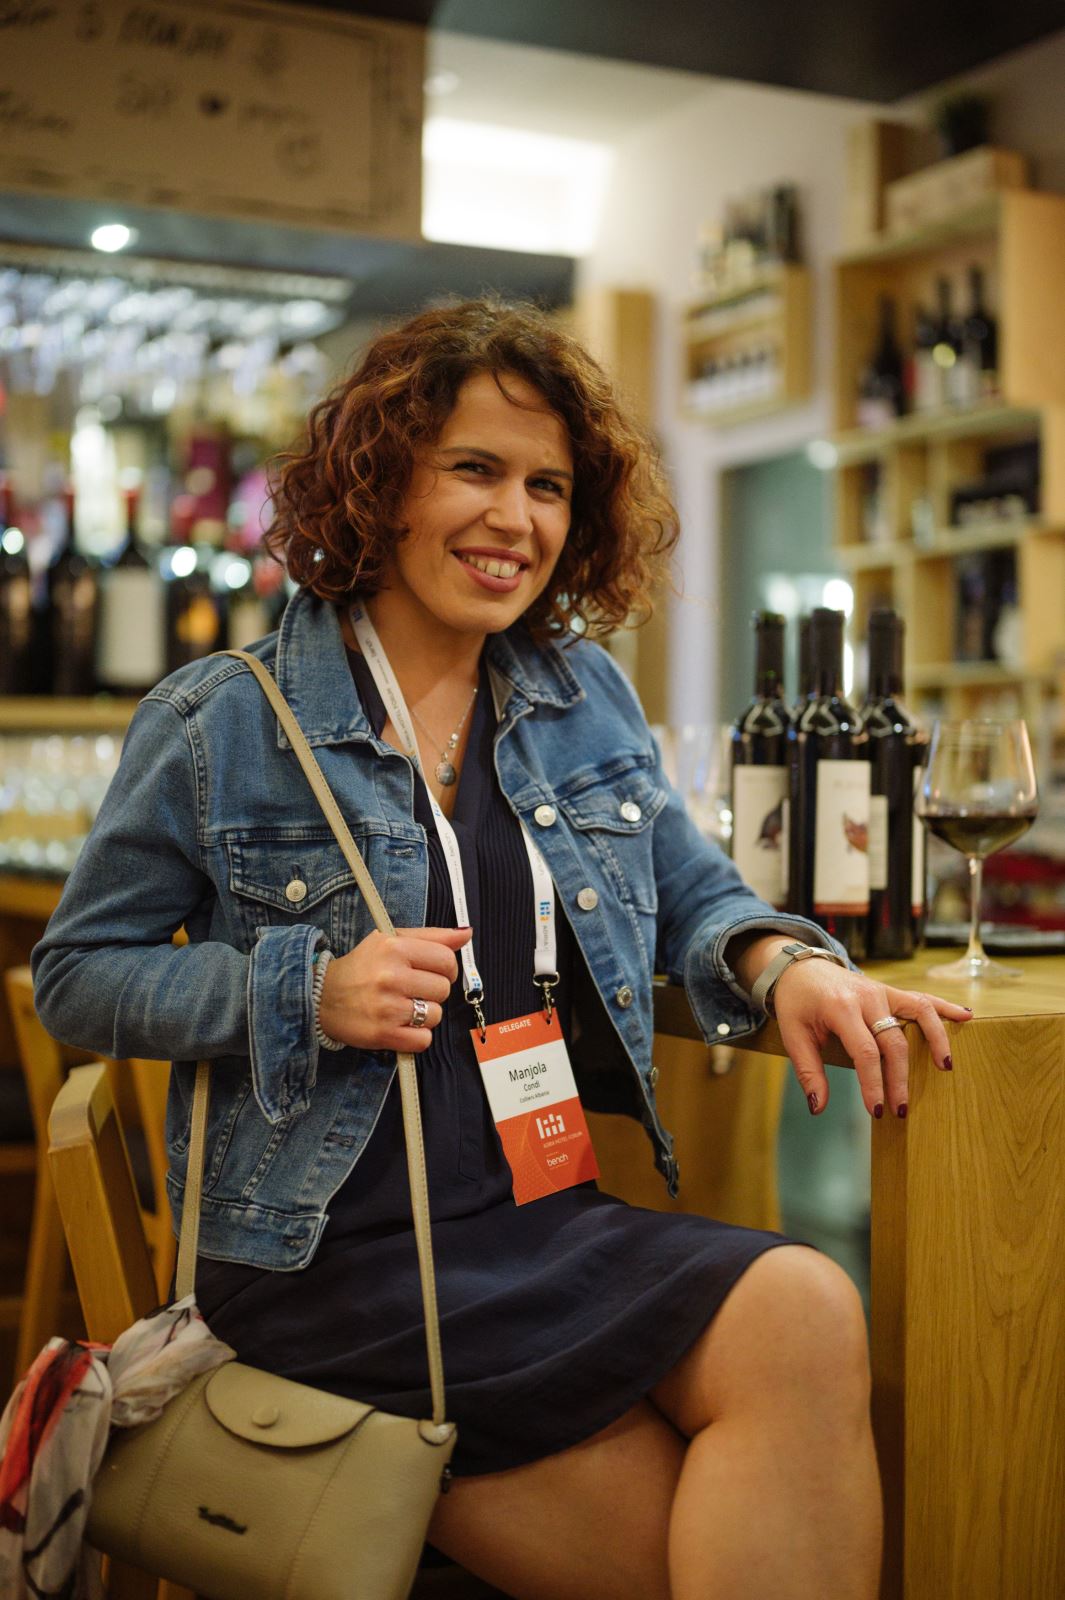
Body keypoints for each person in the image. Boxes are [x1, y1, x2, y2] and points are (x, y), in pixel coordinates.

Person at [33, 300, 970, 1600]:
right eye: (474, 468)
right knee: (703, 1554)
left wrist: (779, 959)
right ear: (381, 481)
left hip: (543, 1213)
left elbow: (689, 885)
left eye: (547, 486)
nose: (514, 518)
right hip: (329, 1257)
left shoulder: (580, 693)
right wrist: (306, 989)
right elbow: (79, 974)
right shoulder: (224, 718)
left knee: (806, 1303)